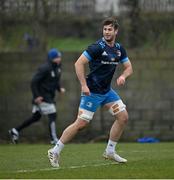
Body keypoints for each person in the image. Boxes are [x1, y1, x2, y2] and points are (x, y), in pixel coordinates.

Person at [48, 17, 133, 167]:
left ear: (116, 31)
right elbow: (78, 63)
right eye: (105, 29)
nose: (107, 32)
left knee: (123, 117)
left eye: (110, 29)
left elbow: (129, 67)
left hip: (107, 92)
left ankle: (110, 151)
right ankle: (55, 150)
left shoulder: (119, 49)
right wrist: (83, 85)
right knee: (81, 124)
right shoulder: (97, 47)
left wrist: (123, 76)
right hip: (92, 92)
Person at [9, 48, 65, 145]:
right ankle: (54, 139)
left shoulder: (58, 67)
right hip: (42, 97)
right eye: (56, 57)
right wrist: (36, 96)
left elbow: (55, 80)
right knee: (53, 114)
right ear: (51, 58)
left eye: (59, 57)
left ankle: (15, 131)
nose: (59, 59)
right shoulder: (45, 68)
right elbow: (33, 82)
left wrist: (59, 89)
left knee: (36, 117)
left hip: (49, 97)